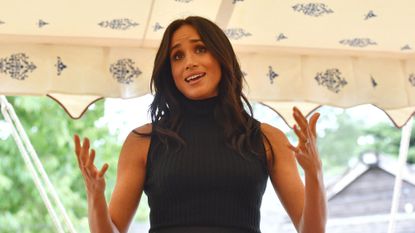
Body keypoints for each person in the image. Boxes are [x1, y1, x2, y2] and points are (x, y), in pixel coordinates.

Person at [74, 16, 327, 233]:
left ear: (221, 56)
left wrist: (314, 174)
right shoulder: (142, 141)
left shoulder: (268, 139)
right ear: (169, 71)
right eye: (177, 56)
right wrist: (95, 196)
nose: (189, 62)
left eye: (200, 49)